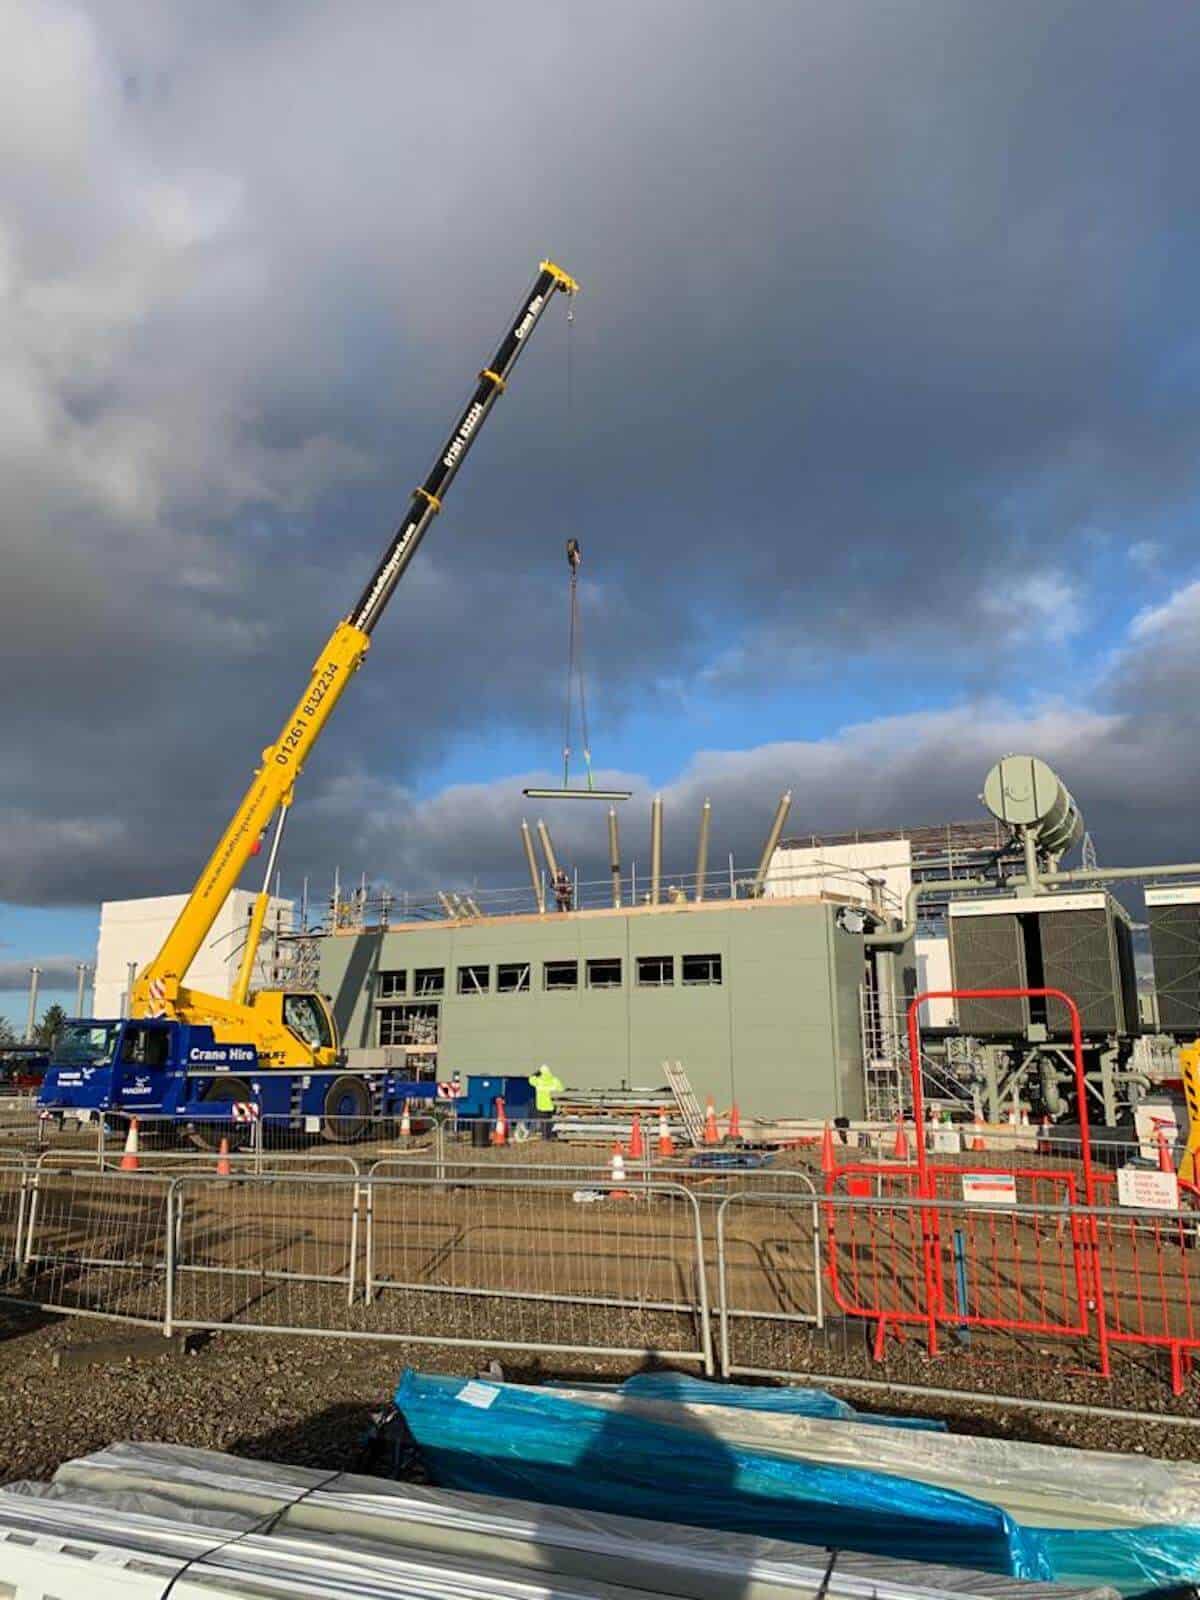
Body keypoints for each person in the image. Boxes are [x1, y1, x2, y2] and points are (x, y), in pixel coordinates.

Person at [529, 1063, 564, 1138]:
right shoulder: (555, 1080)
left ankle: (545, 1137)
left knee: (543, 1122)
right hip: (551, 1105)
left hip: (541, 1105)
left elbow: (530, 1079)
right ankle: (549, 1136)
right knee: (550, 1122)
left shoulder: (538, 1080)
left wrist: (536, 1073)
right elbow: (562, 1090)